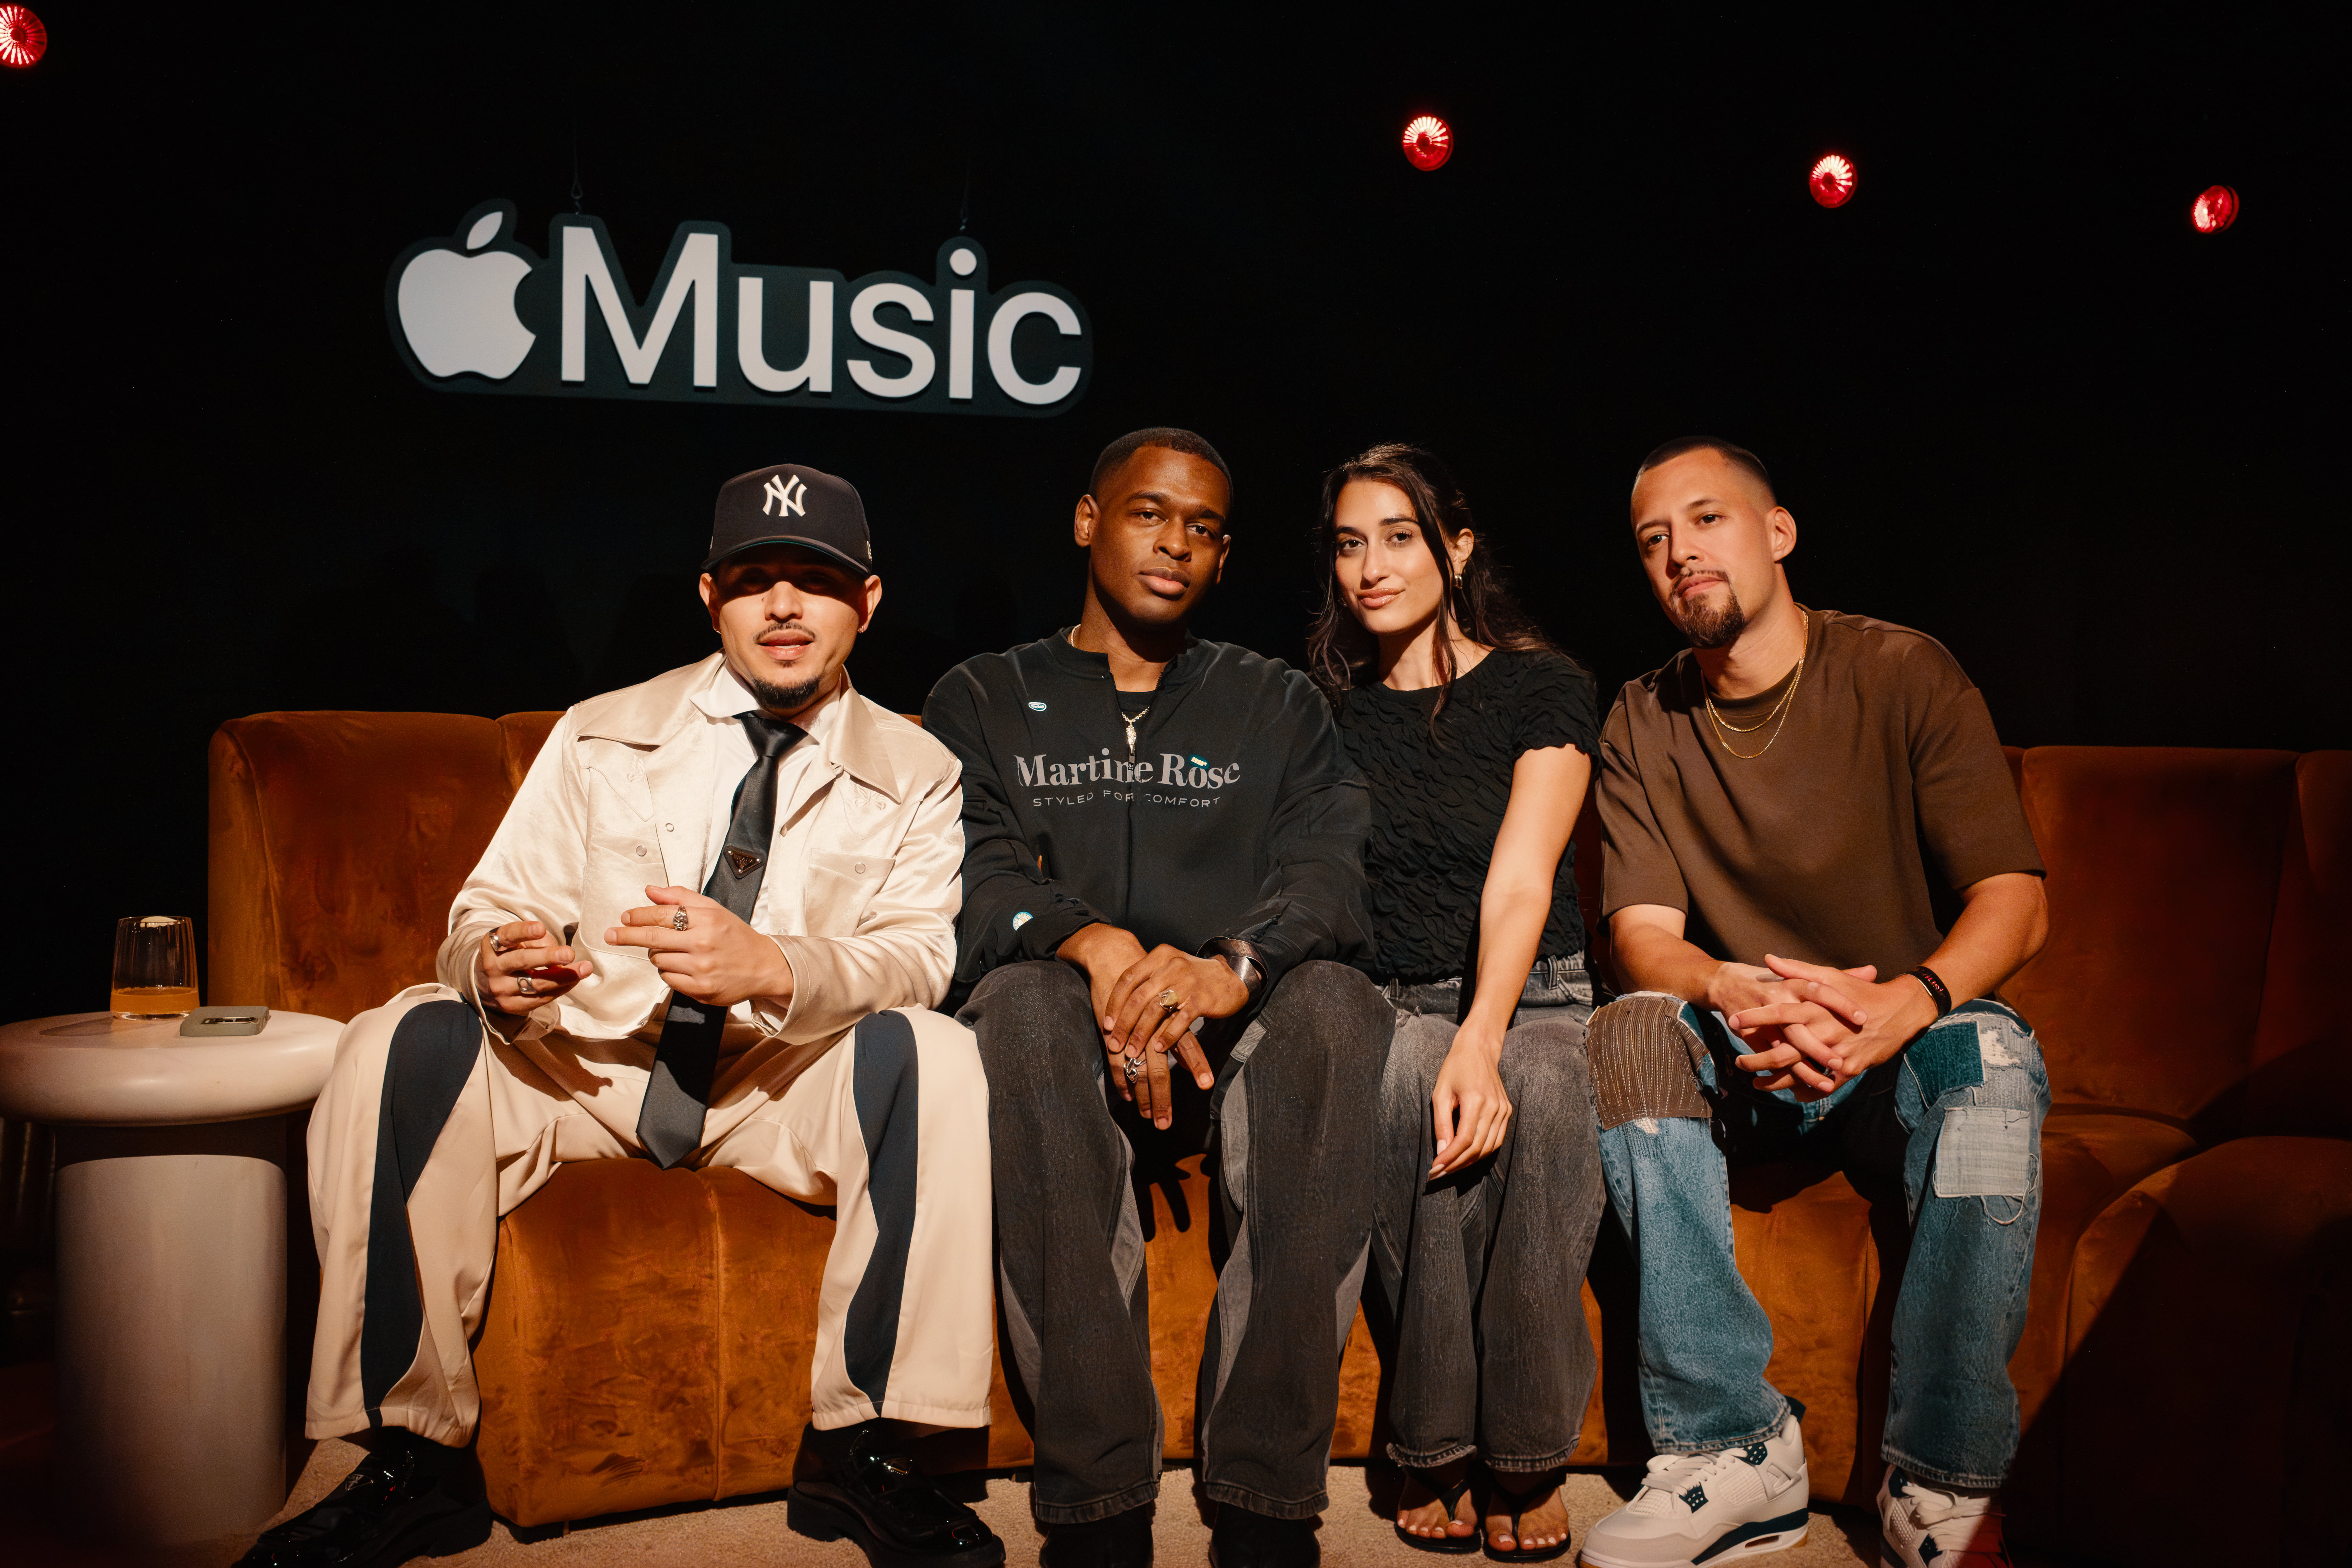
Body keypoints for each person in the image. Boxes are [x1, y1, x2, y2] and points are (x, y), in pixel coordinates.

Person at [239, 466, 1004, 1568]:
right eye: (756, 579)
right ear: (711, 598)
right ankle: (409, 1456)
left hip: (776, 1080)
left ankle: (868, 1447)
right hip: (588, 1068)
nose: (785, 606)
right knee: (398, 1035)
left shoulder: (920, 768)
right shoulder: (603, 732)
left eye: (818, 581)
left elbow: (921, 956)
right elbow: (489, 907)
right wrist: (493, 963)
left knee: (936, 1052)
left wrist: (774, 964)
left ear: (868, 603)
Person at [1576, 438, 2049, 1568]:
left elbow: (2017, 901)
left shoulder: (1902, 670)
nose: (1681, 554)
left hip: (1898, 1055)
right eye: (1654, 539)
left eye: (1708, 520)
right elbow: (1643, 938)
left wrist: (1907, 1004)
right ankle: (1733, 1451)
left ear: (1778, 532)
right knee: (1627, 1031)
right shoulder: (1642, 716)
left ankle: (1944, 1482)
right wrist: (1733, 988)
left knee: (1990, 1060)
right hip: (1747, 1060)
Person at [924, 428, 1391, 1568]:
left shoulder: (1274, 701)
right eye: (1149, 514)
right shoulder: (983, 695)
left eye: (1204, 528)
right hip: (1063, 1044)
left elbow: (1329, 871)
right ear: (1090, 522)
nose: (1176, 543)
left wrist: (1231, 967)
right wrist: (1094, 945)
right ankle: (1099, 1503)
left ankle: (1267, 1497)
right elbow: (972, 874)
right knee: (1019, 1005)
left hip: (1231, 1043)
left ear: (1223, 558)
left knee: (1339, 1007)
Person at [1304, 444, 1603, 1562]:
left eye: (1399, 537)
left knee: (1547, 1085)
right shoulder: (1329, 713)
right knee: (1407, 1077)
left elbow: (1523, 881)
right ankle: (1433, 1439)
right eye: (1350, 544)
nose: (1371, 568)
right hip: (1398, 999)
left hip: (1536, 993)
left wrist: (1485, 1034)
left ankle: (1527, 1452)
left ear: (1458, 546)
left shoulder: (1542, 685)